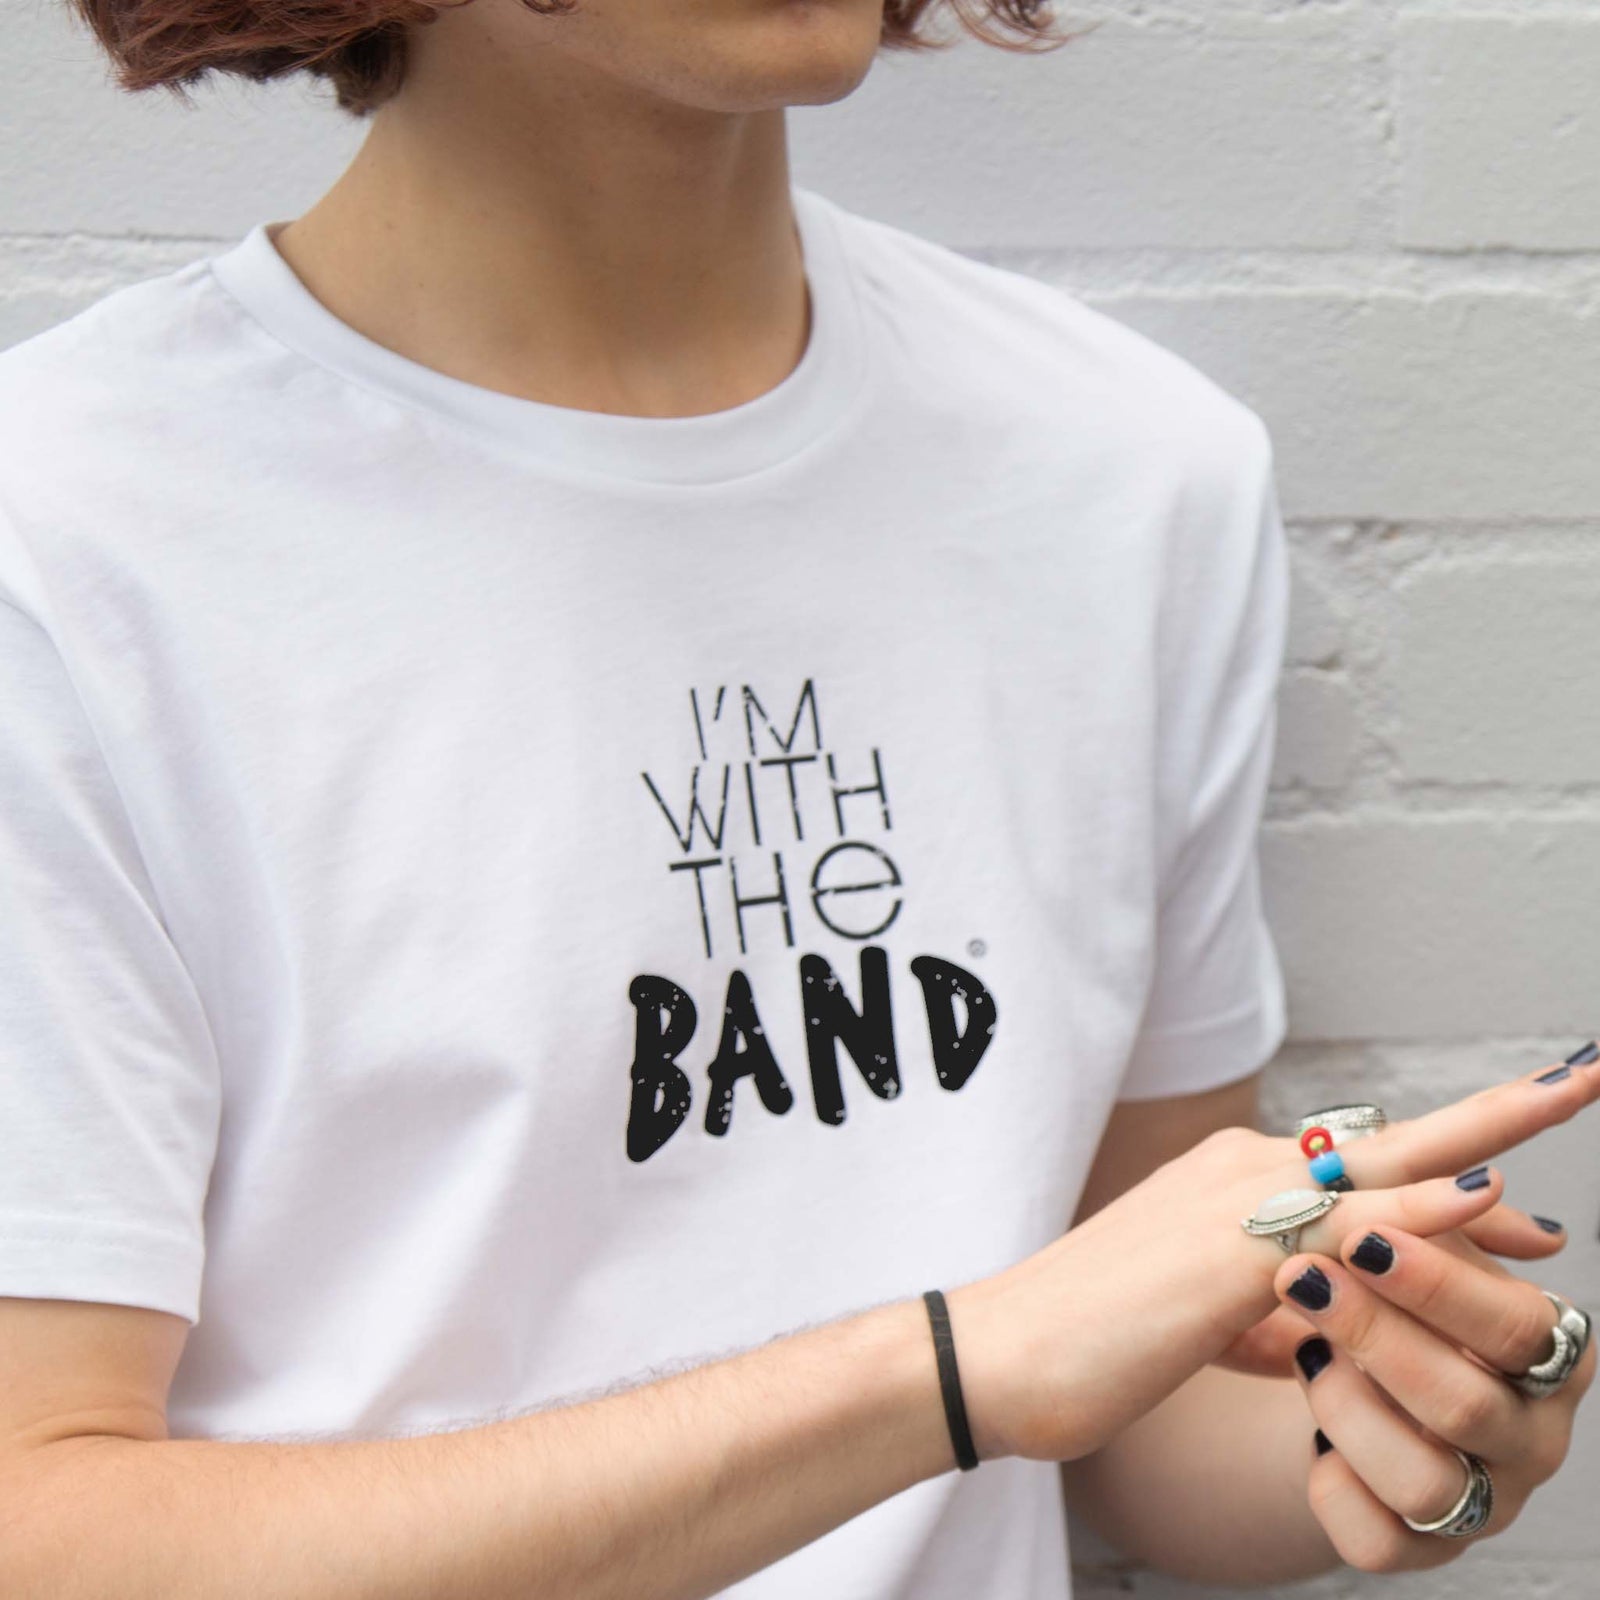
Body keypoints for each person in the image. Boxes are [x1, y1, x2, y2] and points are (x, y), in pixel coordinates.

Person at [0, 0, 1593, 1593]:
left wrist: (1393, 1415)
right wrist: (950, 1373)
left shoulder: (1126, 474)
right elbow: (45, 1531)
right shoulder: (75, 543)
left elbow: (1129, 1400)